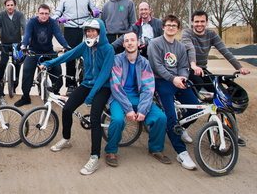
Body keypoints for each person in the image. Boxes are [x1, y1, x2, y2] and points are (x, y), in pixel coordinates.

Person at [41, 18, 114, 175]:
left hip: (103, 87)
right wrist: (49, 63)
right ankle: (66, 139)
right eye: (87, 31)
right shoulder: (85, 46)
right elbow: (68, 55)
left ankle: (94, 157)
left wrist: (92, 95)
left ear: (100, 32)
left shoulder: (108, 49)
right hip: (87, 84)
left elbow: (104, 75)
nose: (90, 33)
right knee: (67, 109)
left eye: (93, 31)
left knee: (95, 118)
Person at [181, 10, 250, 146]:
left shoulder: (211, 34)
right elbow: (190, 49)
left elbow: (224, 50)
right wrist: (193, 65)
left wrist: (239, 67)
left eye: (202, 21)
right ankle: (183, 127)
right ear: (192, 22)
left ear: (206, 22)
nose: (199, 24)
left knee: (222, 97)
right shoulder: (187, 33)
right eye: (197, 21)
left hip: (202, 69)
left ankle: (231, 131)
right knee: (200, 98)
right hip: (188, 69)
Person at [105, 31, 170, 167]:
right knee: (117, 120)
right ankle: (111, 151)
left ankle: (155, 149)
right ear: (123, 44)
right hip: (119, 98)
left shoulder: (145, 63)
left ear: (138, 43)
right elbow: (116, 86)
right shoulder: (117, 60)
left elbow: (148, 88)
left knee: (161, 117)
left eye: (132, 40)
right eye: (127, 40)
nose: (129, 43)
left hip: (139, 98)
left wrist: (143, 109)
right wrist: (128, 109)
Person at [147, 15, 200, 170]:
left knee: (195, 107)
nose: (171, 27)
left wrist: (182, 77)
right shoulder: (155, 44)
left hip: (178, 80)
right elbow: (157, 66)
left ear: (177, 29)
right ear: (163, 27)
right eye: (168, 25)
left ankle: (180, 128)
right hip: (162, 82)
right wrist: (172, 78)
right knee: (170, 115)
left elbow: (184, 65)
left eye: (174, 25)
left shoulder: (180, 47)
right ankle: (181, 152)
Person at [14, 4, 71, 108]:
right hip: (33, 51)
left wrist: (66, 46)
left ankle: (56, 93)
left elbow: (58, 34)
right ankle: (25, 97)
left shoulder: (53, 22)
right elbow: (27, 34)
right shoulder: (32, 22)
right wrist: (24, 46)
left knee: (57, 71)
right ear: (37, 14)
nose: (44, 16)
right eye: (41, 13)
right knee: (27, 70)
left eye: (46, 13)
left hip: (48, 51)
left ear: (49, 14)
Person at [53, 0, 100, 94]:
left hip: (85, 29)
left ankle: (88, 81)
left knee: (89, 55)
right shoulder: (64, 0)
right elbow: (58, 12)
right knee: (70, 56)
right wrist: (57, 18)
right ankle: (70, 84)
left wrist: (95, 12)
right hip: (70, 30)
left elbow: (94, 10)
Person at [0, 0, 26, 92]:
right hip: (4, 44)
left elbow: (25, 26)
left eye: (12, 5)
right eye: (8, 5)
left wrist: (26, 40)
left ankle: (14, 86)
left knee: (18, 64)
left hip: (17, 44)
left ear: (15, 6)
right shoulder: (1, 15)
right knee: (2, 63)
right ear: (5, 6)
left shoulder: (20, 15)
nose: (10, 7)